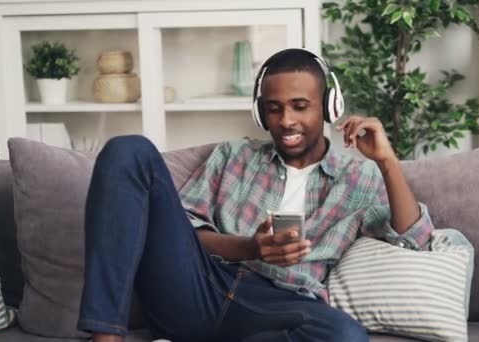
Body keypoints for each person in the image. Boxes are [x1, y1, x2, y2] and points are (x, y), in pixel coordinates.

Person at [77, 49, 435, 342]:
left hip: (279, 306)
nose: (286, 120)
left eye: (300, 105)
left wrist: (387, 161)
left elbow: (416, 239)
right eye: (274, 108)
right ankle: (106, 339)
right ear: (261, 112)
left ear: (328, 107)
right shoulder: (234, 156)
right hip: (198, 287)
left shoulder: (359, 177)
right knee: (128, 149)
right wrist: (251, 247)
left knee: (345, 336)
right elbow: (185, 236)